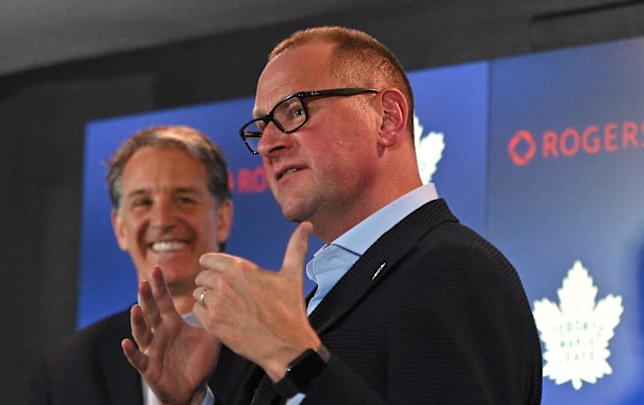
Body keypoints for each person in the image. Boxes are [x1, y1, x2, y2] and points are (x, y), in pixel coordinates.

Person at [123, 26, 542, 404]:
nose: (268, 144)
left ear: (388, 118)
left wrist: (291, 356)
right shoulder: (324, 300)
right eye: (262, 126)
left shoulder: (451, 269)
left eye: (294, 110)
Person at [28, 125, 233, 405]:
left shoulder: (272, 343)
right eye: (142, 202)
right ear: (120, 228)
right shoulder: (65, 370)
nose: (162, 220)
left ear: (222, 219)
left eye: (184, 199)